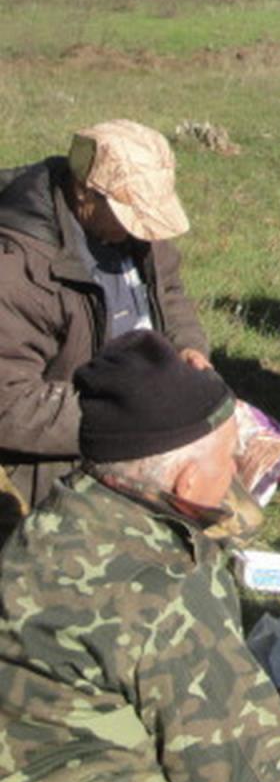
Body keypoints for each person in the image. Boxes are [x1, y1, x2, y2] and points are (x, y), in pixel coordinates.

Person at [0, 331, 280, 782]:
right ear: (185, 481)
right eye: (229, 457)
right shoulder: (163, 592)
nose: (235, 471)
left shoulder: (56, 521)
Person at [0, 120, 210, 517]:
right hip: (55, 447)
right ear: (84, 192)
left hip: (138, 413)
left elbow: (169, 293)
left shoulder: (136, 231)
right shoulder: (18, 271)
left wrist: (188, 348)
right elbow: (8, 406)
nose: (140, 230)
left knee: (218, 504)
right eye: (128, 213)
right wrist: (118, 416)